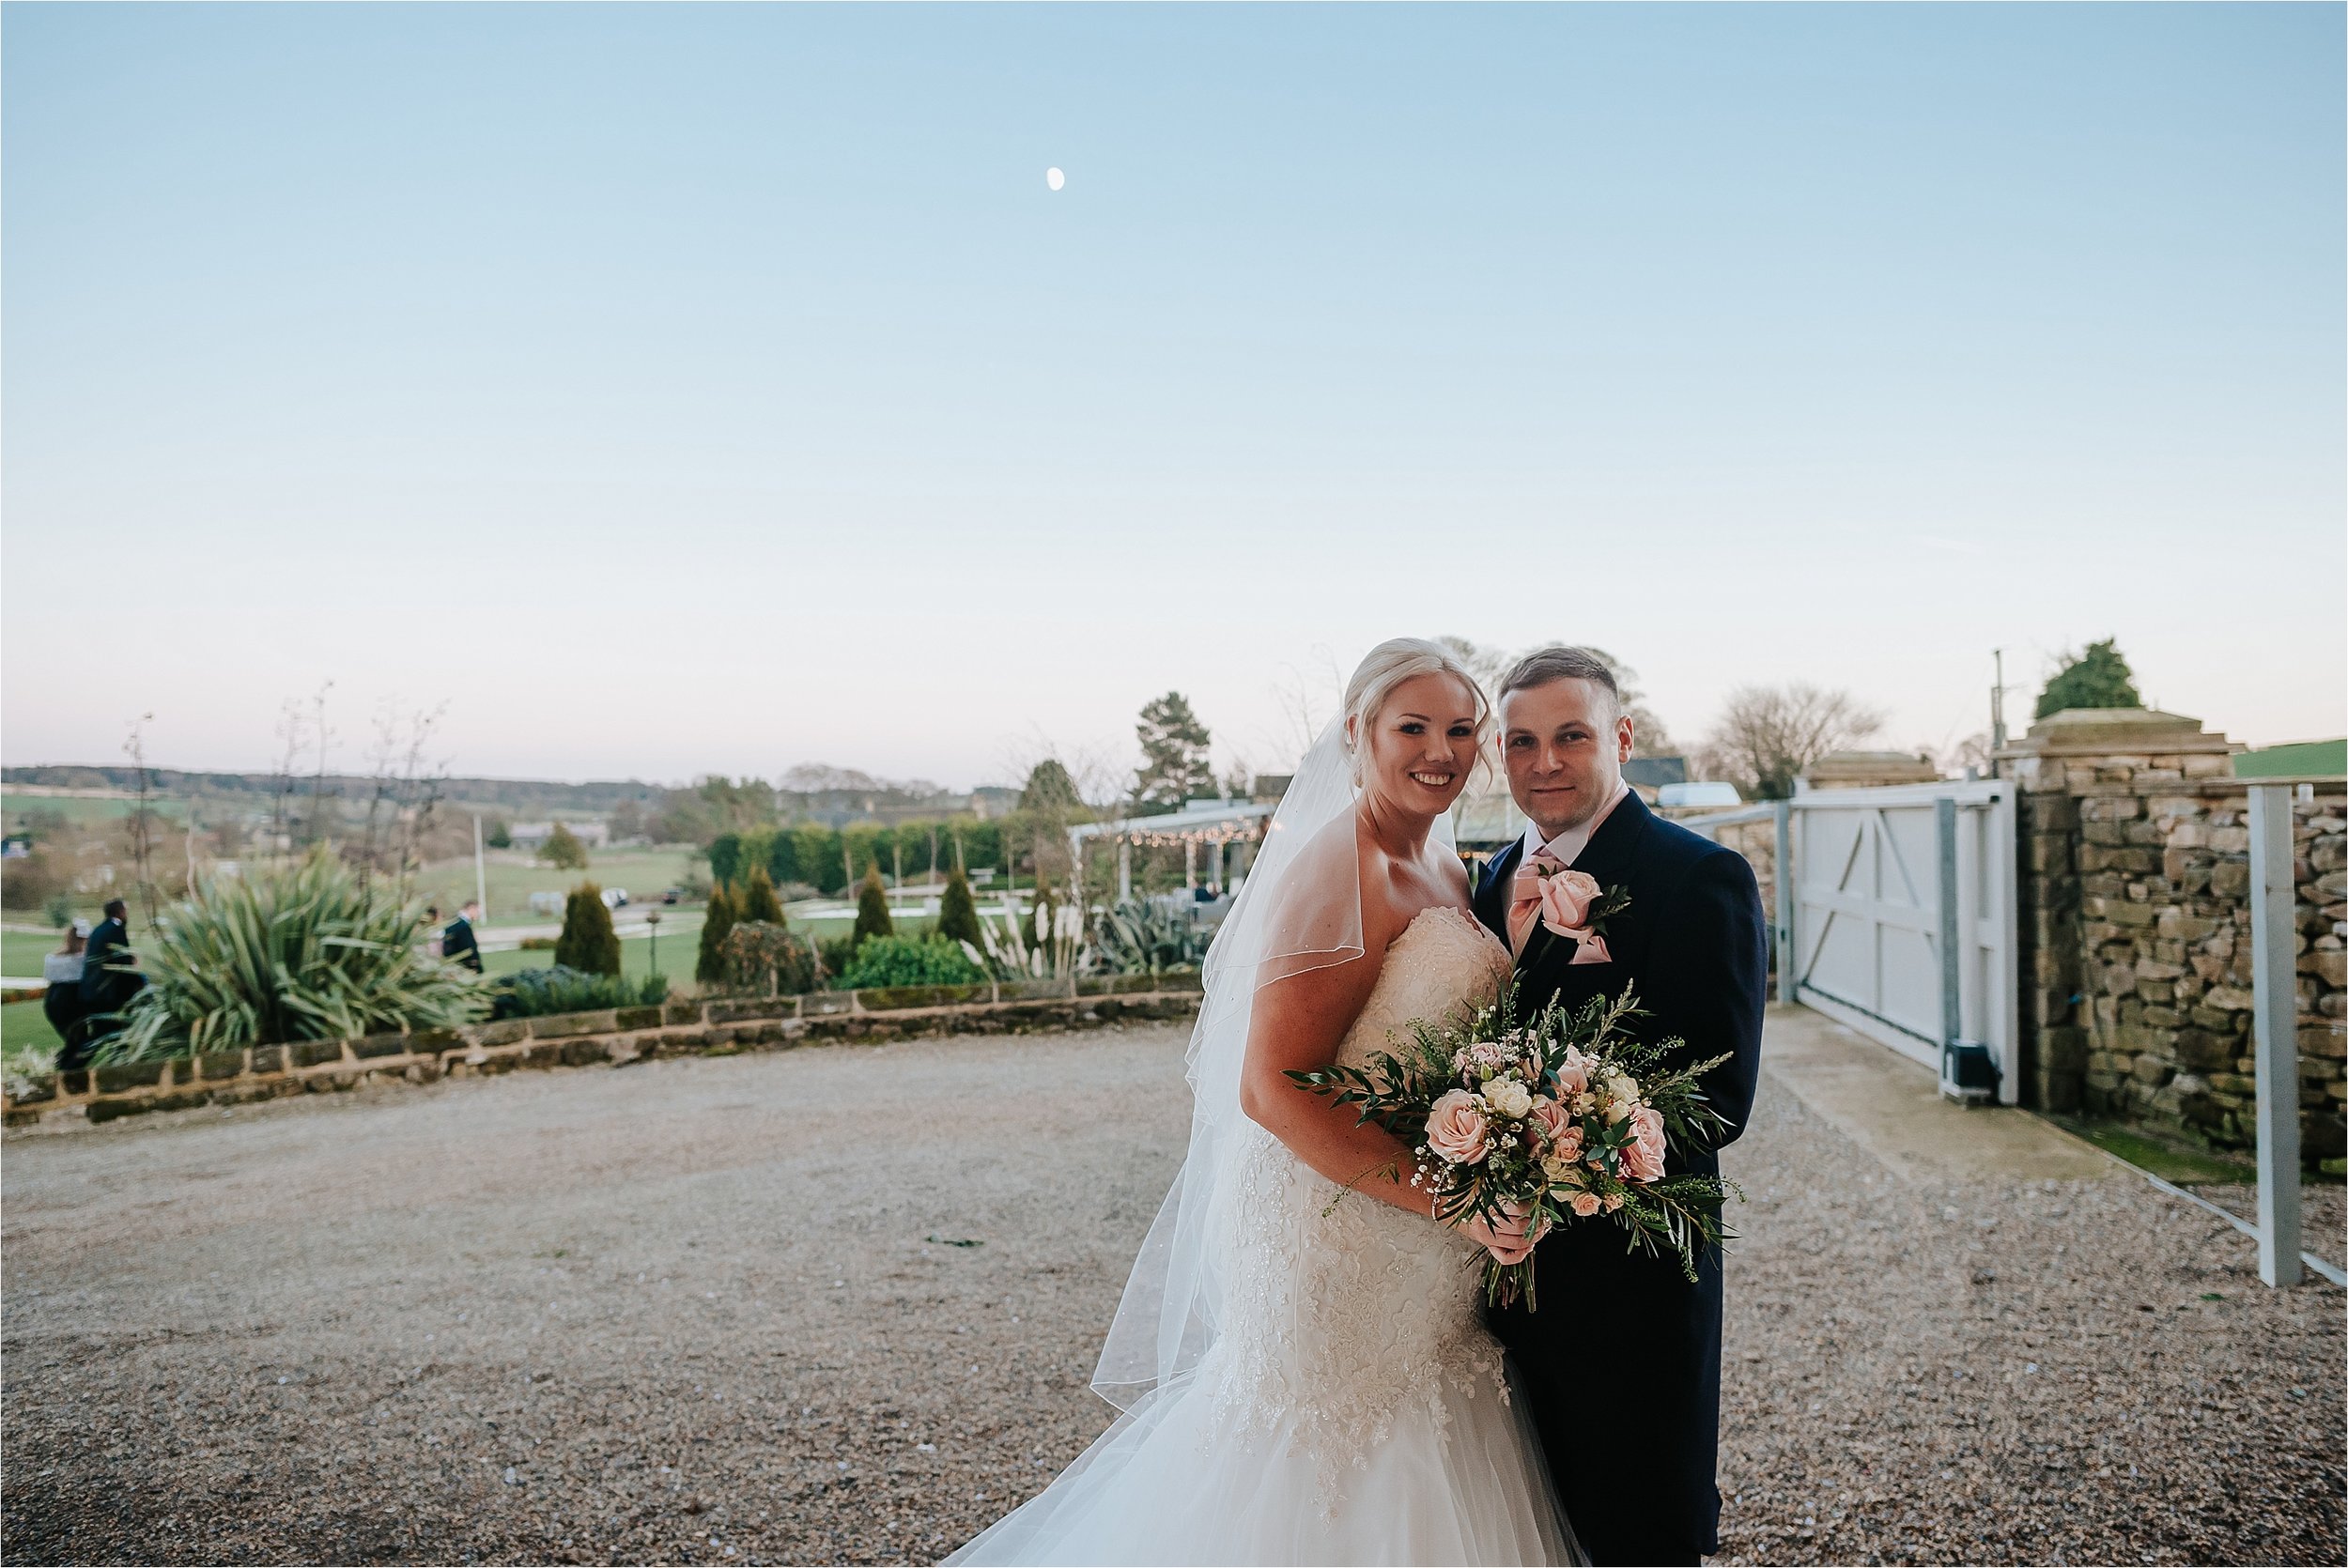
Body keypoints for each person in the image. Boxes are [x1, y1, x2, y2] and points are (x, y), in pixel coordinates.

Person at [950, 639, 1576, 1566]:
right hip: (1337, 1234)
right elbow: (1271, 1085)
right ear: (1358, 732)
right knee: (1325, 1456)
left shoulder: (1444, 865)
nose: (1438, 749)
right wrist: (1450, 1197)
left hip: (1417, 1243)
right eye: (1412, 726)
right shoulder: (1339, 867)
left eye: (1458, 728)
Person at [1471, 646, 1767, 1566]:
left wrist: (1555, 1161)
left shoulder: (1698, 877)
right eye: (1520, 741)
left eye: (1570, 735)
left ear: (1622, 738)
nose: (1543, 761)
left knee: (1639, 1530)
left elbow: (1715, 1097)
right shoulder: (1486, 881)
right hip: (1492, 1289)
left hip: (1633, 1293)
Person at [72, 898, 147, 1063]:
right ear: (120, 912)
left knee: (102, 1034)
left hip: (91, 992)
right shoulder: (116, 929)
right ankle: (73, 1066)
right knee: (106, 1034)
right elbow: (122, 963)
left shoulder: (99, 929)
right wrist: (140, 982)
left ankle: (78, 1063)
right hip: (106, 995)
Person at [42, 920, 90, 1068]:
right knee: (84, 1043)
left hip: (52, 1000)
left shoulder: (53, 958)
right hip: (69, 1002)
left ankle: (60, 1066)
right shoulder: (82, 960)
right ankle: (68, 1072)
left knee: (73, 1042)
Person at [442, 899, 484, 973]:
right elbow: (468, 949)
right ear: (471, 909)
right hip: (464, 967)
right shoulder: (462, 926)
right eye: (477, 911)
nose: (479, 914)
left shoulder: (454, 922)